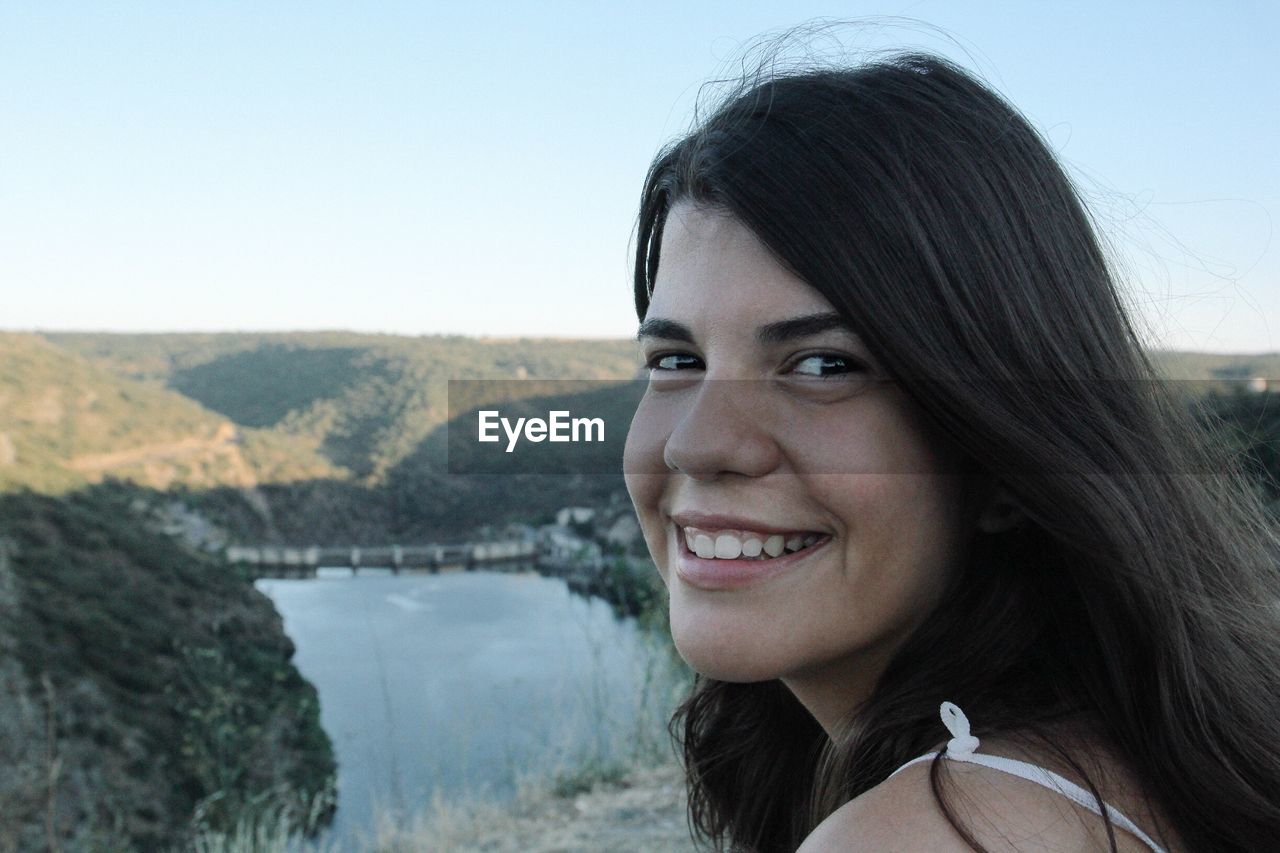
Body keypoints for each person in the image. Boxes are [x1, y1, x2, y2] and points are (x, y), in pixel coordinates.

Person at [621, 50, 1280, 852]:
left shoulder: (925, 835)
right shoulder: (1117, 752)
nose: (695, 444)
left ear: (1000, 448)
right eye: (676, 361)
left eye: (826, 365)